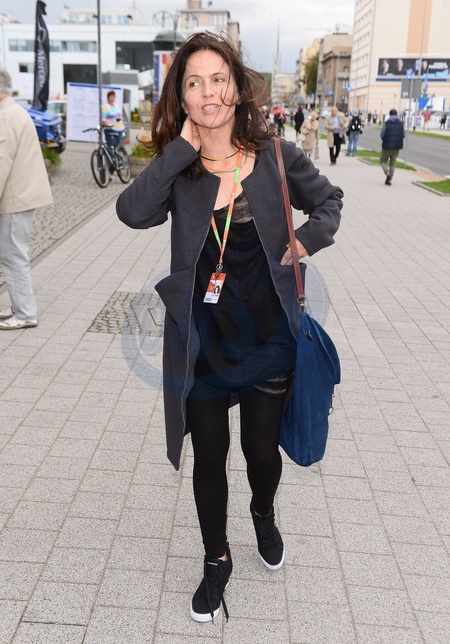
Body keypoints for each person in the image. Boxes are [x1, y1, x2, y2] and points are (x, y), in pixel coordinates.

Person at [116, 31, 343, 624]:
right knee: (210, 457)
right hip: (204, 347)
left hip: (268, 339)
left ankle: (263, 512)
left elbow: (330, 202)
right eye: (194, 83)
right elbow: (131, 212)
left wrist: (305, 240)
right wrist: (178, 150)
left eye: (218, 79)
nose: (208, 92)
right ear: (182, 97)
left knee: (261, 454)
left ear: (238, 89)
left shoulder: (275, 156)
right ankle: (216, 559)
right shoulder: (181, 170)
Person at [0, 68, 53, 330]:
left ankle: (24, 313)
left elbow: (1, 161)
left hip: (14, 198)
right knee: (12, 254)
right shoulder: (14, 111)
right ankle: (20, 307)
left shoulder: (6, 116)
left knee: (13, 256)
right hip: (20, 195)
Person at [380, 108, 406, 185]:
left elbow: (382, 135)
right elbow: (404, 135)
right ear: (396, 115)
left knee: (382, 160)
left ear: (390, 115)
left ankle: (387, 172)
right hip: (396, 147)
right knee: (393, 163)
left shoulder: (386, 123)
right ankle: (390, 179)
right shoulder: (401, 124)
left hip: (386, 146)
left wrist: (385, 139)